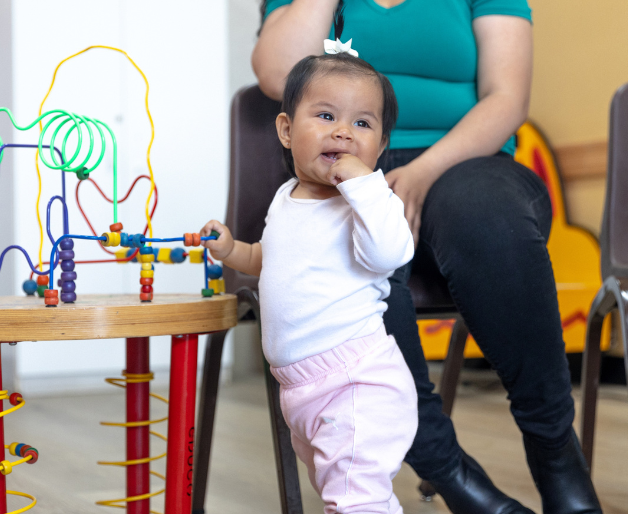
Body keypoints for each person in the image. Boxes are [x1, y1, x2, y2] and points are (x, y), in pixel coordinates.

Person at [251, 2, 603, 514]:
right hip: (338, 175)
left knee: (485, 219)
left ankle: (555, 450)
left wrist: (420, 173)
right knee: (354, 266)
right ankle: (449, 471)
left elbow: (507, 96)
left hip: (467, 162)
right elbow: (275, 72)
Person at [202, 50, 419, 514]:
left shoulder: (363, 204)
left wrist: (365, 187)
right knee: (340, 494)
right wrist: (230, 251)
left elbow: (391, 254)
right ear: (286, 130)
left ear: (380, 147)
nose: (343, 132)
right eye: (325, 115)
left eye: (362, 124)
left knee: (356, 500)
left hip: (356, 381)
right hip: (299, 389)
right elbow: (268, 258)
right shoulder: (286, 198)